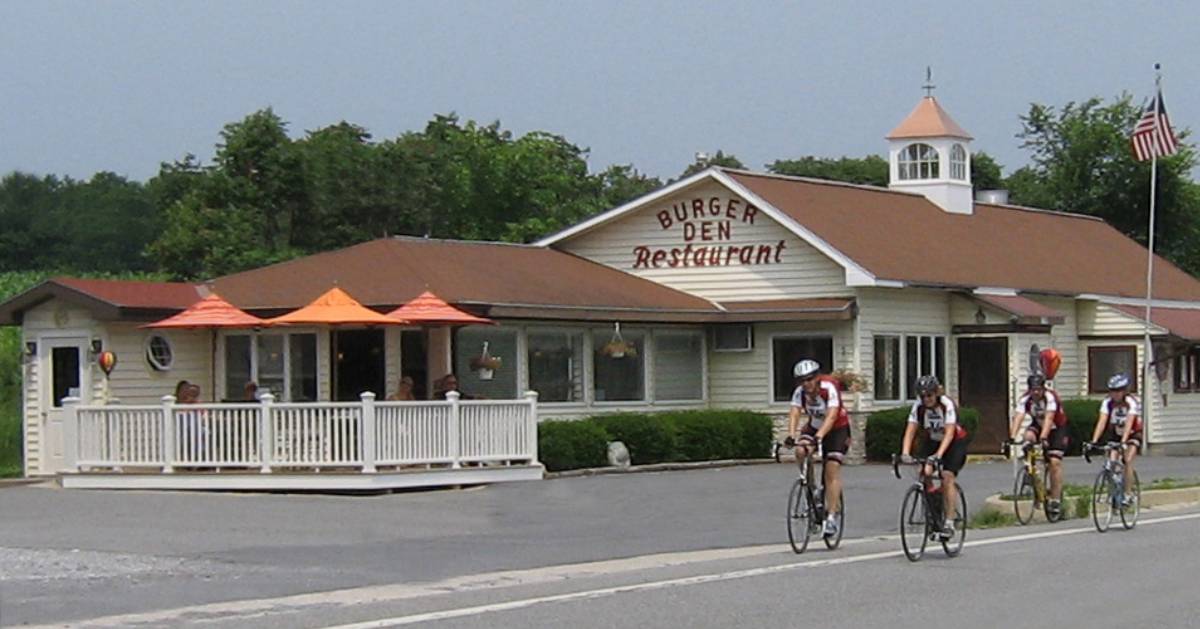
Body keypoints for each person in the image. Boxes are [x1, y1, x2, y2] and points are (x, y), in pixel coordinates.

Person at [786, 359, 851, 538]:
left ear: (817, 378)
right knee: (800, 451)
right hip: (814, 426)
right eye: (801, 380)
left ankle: (831, 517)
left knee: (831, 470)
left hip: (837, 429)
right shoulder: (800, 392)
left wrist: (820, 436)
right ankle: (812, 488)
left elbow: (831, 416)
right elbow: (794, 412)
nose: (805, 384)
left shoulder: (828, 387)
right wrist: (791, 435)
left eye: (809, 379)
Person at [900, 375, 969, 540]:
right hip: (933, 439)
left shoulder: (947, 404)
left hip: (954, 443)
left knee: (947, 476)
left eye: (929, 395)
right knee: (925, 472)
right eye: (922, 396)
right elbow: (910, 430)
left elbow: (950, 432)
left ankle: (949, 523)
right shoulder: (918, 407)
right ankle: (934, 507)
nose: (926, 399)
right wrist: (905, 453)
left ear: (936, 393)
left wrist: (938, 456)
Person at [1008, 373, 1068, 517]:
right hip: (1038, 425)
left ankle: (1055, 499)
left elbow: (1049, 419)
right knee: (1027, 437)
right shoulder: (1025, 399)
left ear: (1043, 389)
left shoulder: (1050, 398)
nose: (1036, 392)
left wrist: (1043, 437)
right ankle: (1030, 470)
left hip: (1057, 428)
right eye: (1033, 389)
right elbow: (1018, 417)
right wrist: (1011, 437)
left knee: (1054, 463)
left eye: (1038, 389)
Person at [1086, 373, 1142, 506]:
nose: (1115, 394)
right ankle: (1114, 492)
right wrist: (1094, 441)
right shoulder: (1107, 402)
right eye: (1112, 391)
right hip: (1115, 433)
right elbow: (1102, 421)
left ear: (1124, 391)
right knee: (1111, 462)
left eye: (1118, 391)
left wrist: (1124, 442)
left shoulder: (1131, 402)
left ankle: (1128, 494)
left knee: (1127, 460)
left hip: (1133, 433)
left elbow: (1129, 422)